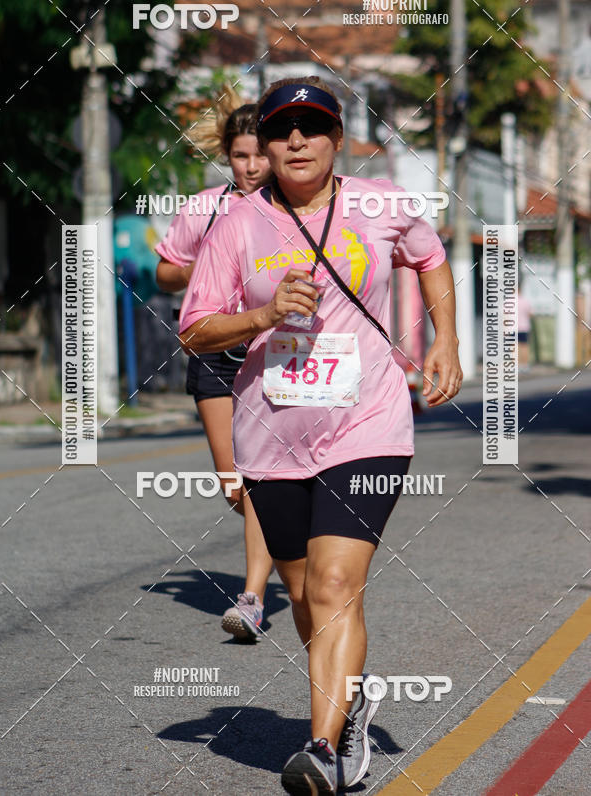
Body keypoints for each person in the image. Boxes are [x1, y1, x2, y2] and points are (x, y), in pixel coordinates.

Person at [179, 76, 462, 794]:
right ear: (266, 145)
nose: (296, 141)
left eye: (312, 127)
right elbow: (195, 329)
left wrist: (446, 340)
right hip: (271, 435)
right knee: (307, 598)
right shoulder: (236, 225)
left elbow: (431, 258)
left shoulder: (381, 205)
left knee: (336, 583)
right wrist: (261, 316)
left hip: (368, 425)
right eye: (281, 130)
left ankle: (323, 749)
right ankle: (351, 698)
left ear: (338, 139)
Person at [155, 84, 273, 642]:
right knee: (234, 485)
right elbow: (165, 272)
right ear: (227, 156)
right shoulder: (204, 208)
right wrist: (203, 262)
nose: (250, 167)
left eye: (260, 155)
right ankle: (286, 535)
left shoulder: (290, 210)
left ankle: (252, 597)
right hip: (213, 352)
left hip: (272, 356)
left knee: (267, 479)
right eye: (240, 156)